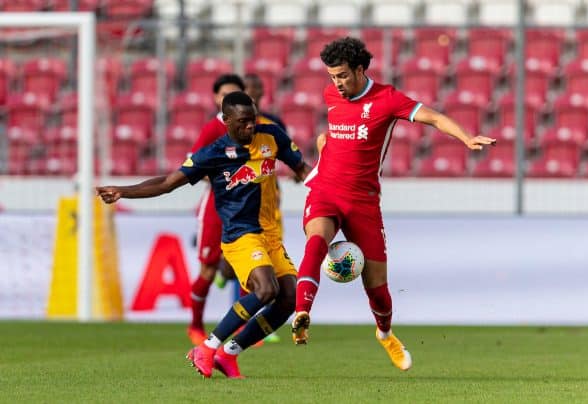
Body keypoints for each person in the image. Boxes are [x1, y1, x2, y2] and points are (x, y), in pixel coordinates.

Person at [291, 37, 496, 371]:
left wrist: (466, 137)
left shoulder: (387, 99)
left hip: (364, 200)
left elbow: (432, 117)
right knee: (316, 241)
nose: (337, 84)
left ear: (359, 69)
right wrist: (324, 148)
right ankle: (302, 313)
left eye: (342, 75)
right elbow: (336, 138)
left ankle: (385, 333)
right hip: (326, 190)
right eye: (332, 77)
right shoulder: (330, 96)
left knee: (378, 290)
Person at [97, 91, 312, 379]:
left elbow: (302, 170)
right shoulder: (213, 154)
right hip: (240, 235)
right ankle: (207, 347)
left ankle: (228, 354)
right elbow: (168, 183)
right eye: (243, 122)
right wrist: (124, 191)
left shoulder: (272, 136)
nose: (250, 127)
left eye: (253, 120)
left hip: (270, 234)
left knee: (288, 299)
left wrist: (331, 187)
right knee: (266, 289)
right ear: (226, 121)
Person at [187, 74, 246, 345]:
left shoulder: (253, 129)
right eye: (224, 95)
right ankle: (196, 325)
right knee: (208, 269)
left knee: (249, 269)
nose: (228, 100)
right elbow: (194, 166)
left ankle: (244, 332)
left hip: (245, 206)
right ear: (215, 99)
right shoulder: (213, 129)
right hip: (216, 206)